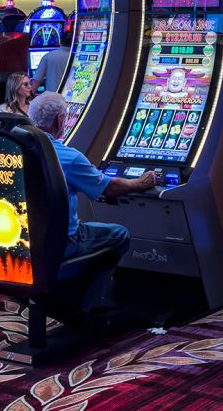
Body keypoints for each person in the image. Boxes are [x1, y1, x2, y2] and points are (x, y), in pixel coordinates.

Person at [28, 92, 155, 306]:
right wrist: (141, 183)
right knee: (119, 234)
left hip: (25, 238)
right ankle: (91, 303)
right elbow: (109, 188)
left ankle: (67, 294)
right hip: (62, 241)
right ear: (60, 120)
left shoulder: (19, 148)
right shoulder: (67, 156)